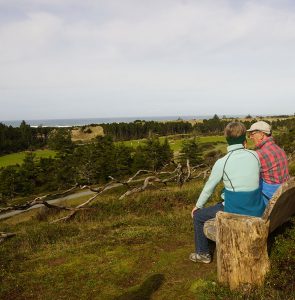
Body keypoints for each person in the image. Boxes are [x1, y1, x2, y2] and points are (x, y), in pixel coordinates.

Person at [190, 122, 263, 264]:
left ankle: (203, 254)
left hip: (236, 210)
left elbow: (208, 188)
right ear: (244, 140)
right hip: (256, 208)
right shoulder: (255, 155)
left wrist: (197, 205)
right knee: (221, 202)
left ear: (227, 140)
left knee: (198, 216)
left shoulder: (222, 162)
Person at [247, 121, 290, 205]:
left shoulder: (260, 154)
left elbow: (249, 179)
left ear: (262, 134)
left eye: (252, 134)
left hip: (269, 199)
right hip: (283, 196)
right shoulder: (280, 150)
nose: (250, 137)